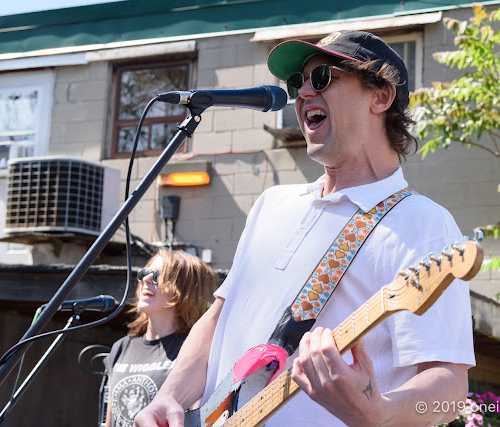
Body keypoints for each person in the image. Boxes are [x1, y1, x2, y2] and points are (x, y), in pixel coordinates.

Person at [135, 30, 475, 427]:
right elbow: (218, 320)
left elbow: (449, 388)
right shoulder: (271, 204)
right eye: (298, 83)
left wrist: (381, 412)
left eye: (323, 78)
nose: (303, 94)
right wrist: (169, 397)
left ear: (380, 96)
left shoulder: (423, 223)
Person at [103, 249, 217, 427]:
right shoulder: (121, 347)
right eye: (144, 274)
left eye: (158, 276)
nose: (146, 280)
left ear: (186, 289)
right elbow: (110, 422)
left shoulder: (195, 350)